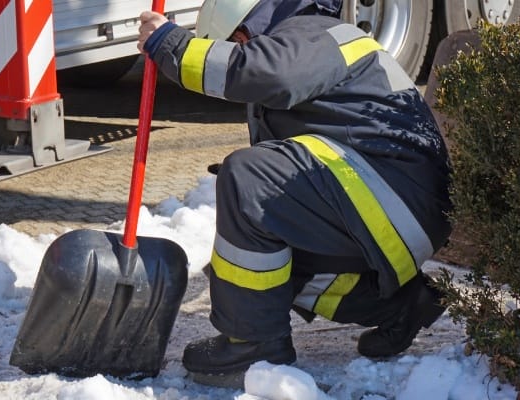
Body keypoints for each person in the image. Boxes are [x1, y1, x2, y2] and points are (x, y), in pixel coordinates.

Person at [137, 0, 452, 377]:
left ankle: (255, 344)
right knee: (271, 265)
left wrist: (169, 43)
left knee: (249, 179)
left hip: (392, 200)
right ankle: (401, 305)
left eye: (235, 41)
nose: (237, 47)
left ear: (249, 24)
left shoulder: (313, 34)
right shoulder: (302, 41)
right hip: (391, 207)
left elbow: (266, 74)